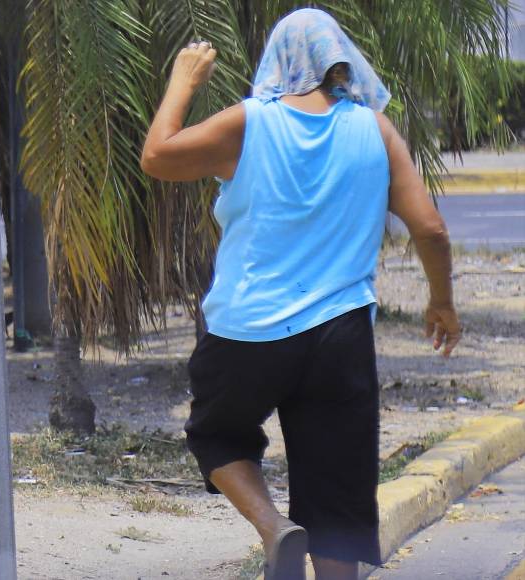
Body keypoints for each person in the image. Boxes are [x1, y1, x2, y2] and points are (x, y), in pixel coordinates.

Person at [141, 9, 460, 580]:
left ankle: (274, 528)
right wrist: (441, 302)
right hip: (341, 332)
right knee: (337, 498)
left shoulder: (250, 123)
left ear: (278, 59)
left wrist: (183, 84)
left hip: (249, 329)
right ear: (341, 61)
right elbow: (431, 229)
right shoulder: (375, 129)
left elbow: (157, 156)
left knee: (215, 432)